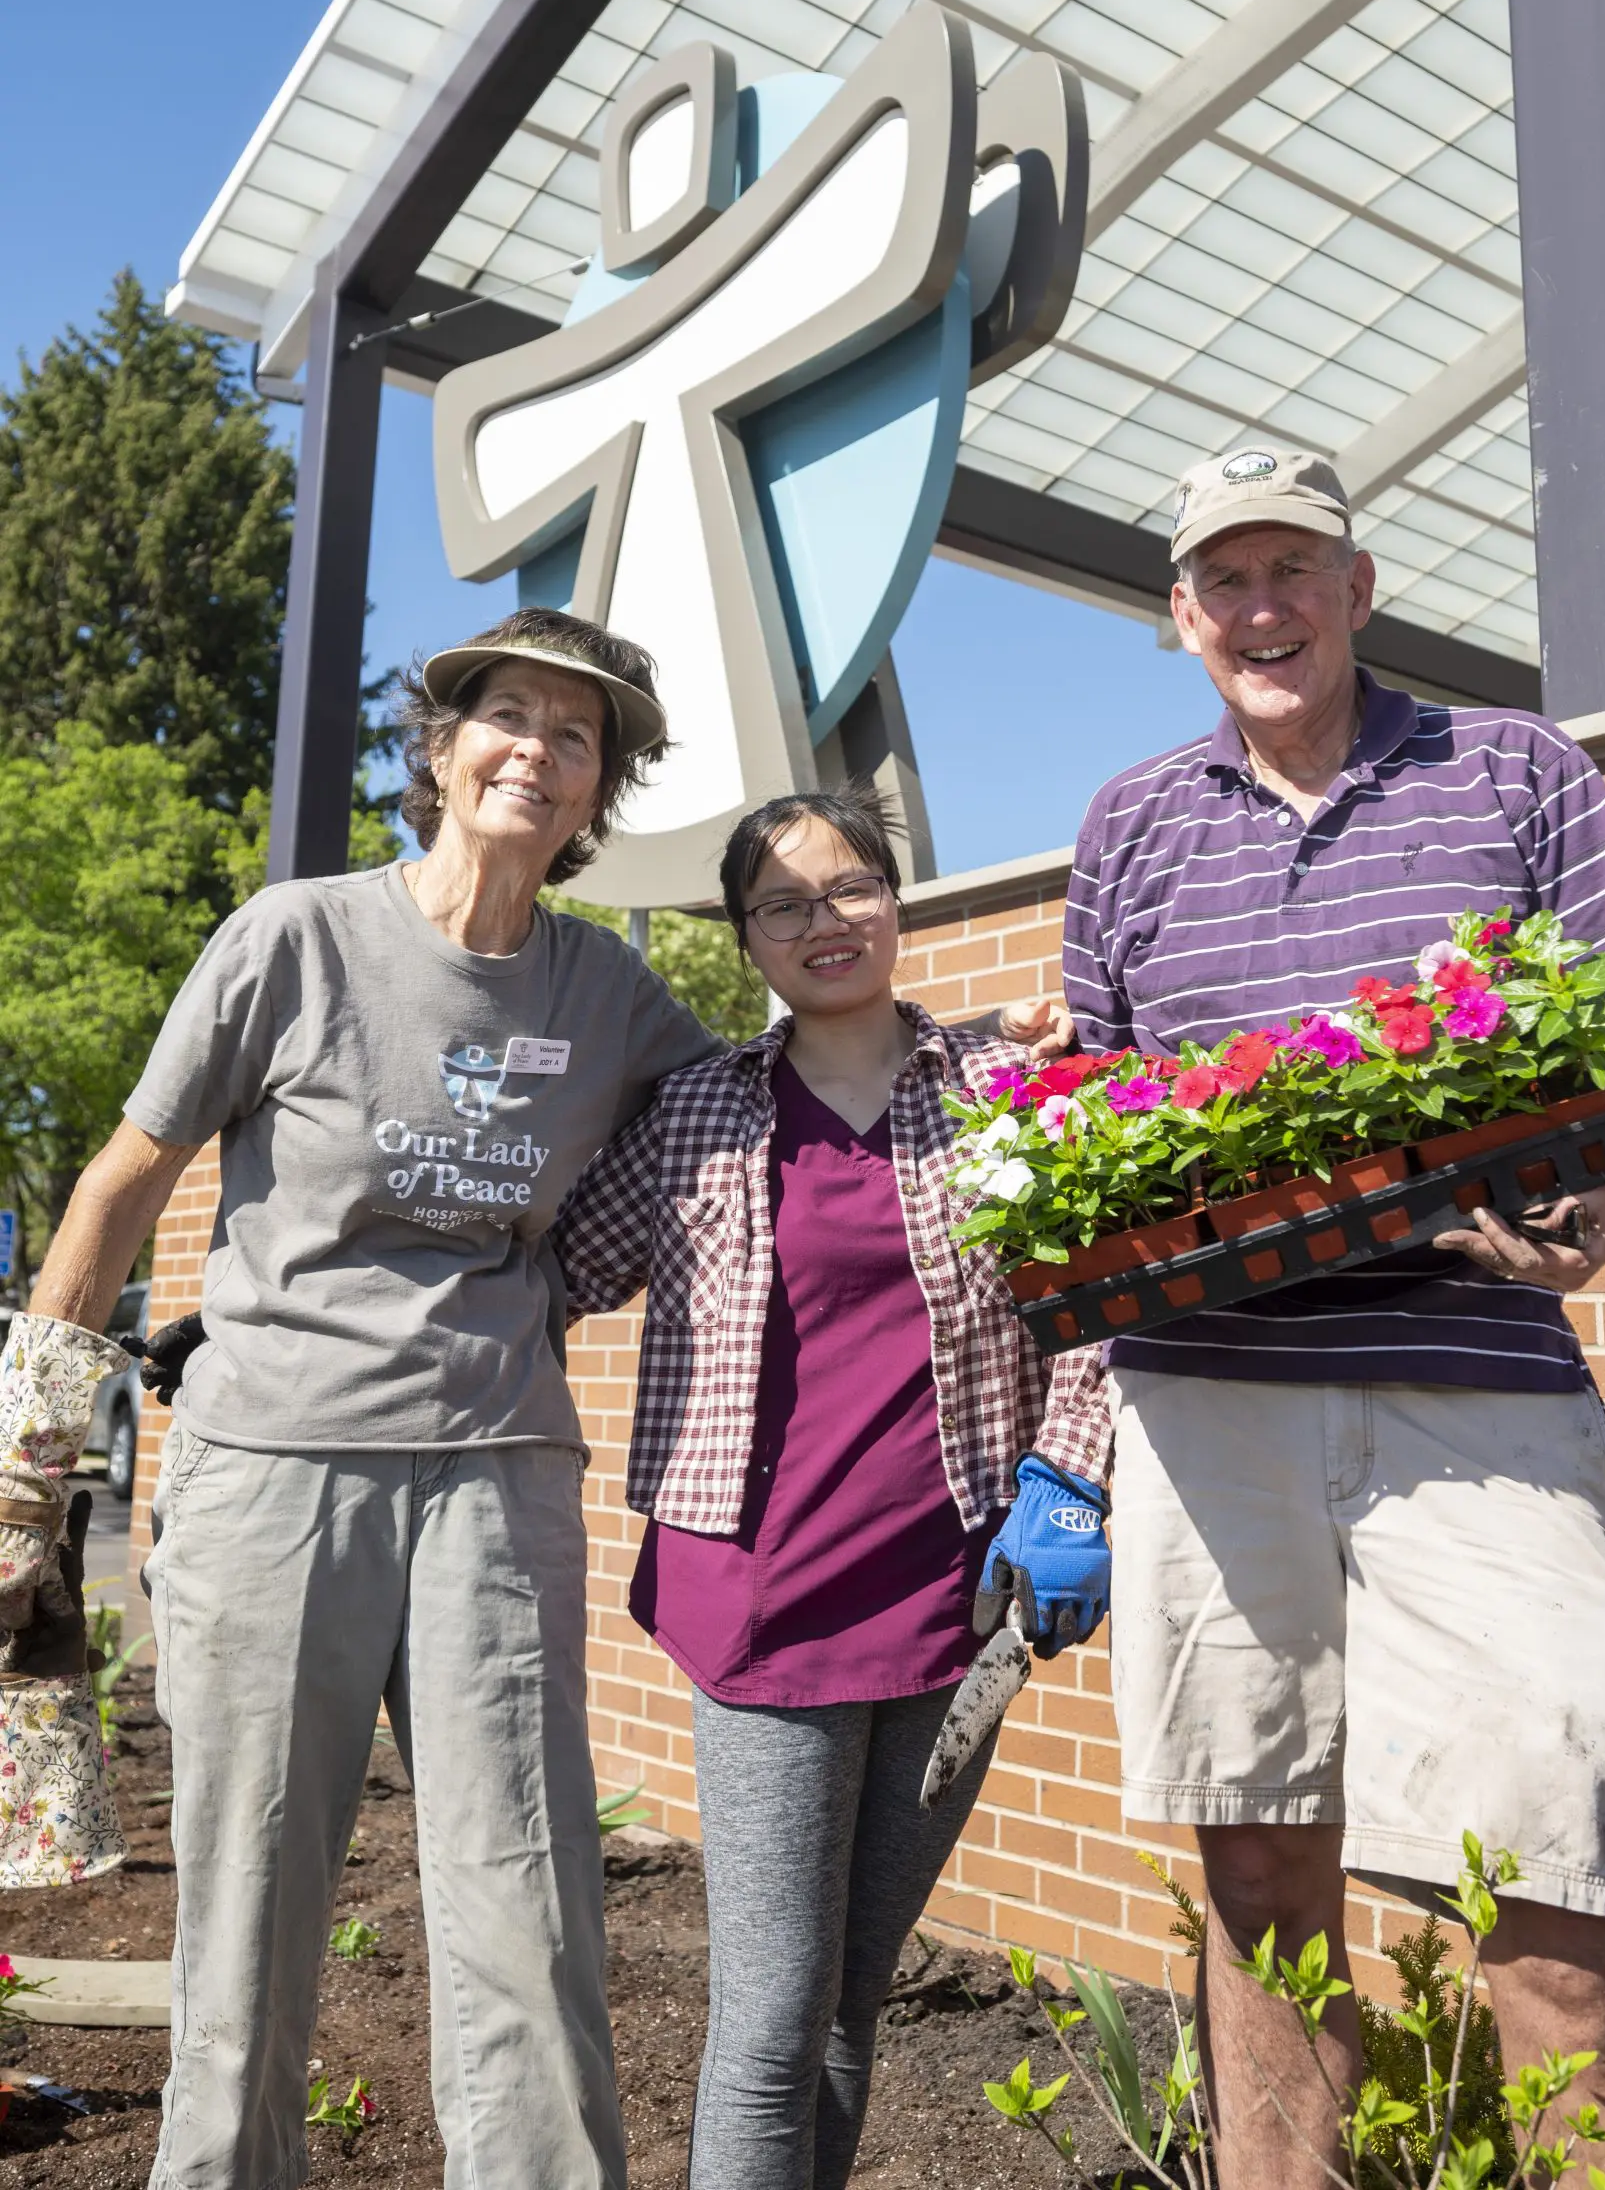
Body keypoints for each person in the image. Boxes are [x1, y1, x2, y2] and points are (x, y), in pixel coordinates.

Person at [10, 609, 724, 2190]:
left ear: (601, 791)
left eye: (578, 733)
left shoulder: (607, 990)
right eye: (507, 716)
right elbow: (126, 1177)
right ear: (446, 747)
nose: (535, 747)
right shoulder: (297, 935)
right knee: (249, 1905)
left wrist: (979, 1056)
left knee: (528, 1908)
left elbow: (779, 1101)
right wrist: (26, 1465)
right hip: (275, 1471)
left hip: (496, 1475)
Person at [1062, 447, 1605, 2187]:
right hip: (1206, 1404)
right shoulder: (1131, 822)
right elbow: (1089, 1124)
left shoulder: (1512, 766)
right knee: (1257, 1878)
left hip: (1474, 1398)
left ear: (1356, 587)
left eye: (1294, 571)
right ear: (1179, 618)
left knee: (1553, 1888)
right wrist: (1068, 1441)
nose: (1261, 608)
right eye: (1224, 581)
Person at [548, 785, 1114, 2190]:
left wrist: (1075, 1483)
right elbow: (546, 1273)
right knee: (767, 2021)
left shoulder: (1003, 1088)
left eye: (848, 887)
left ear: (895, 899)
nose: (823, 921)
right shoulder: (693, 1113)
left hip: (955, 1597)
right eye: (784, 901)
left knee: (853, 2009)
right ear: (747, 936)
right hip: (762, 1602)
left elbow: (1101, 1298)